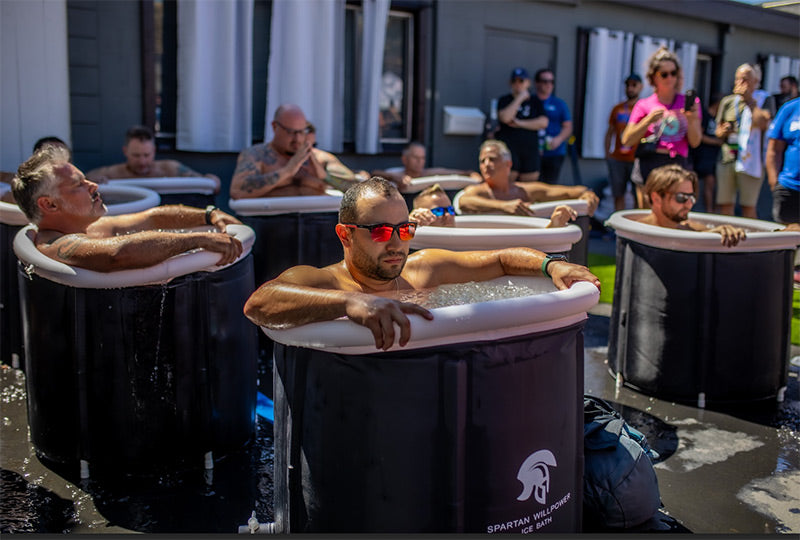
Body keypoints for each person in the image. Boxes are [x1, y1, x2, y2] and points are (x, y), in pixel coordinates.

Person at [243, 176, 600, 350]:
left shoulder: (423, 268)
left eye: (404, 228)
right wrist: (351, 302)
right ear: (345, 235)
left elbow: (503, 258)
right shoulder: (328, 282)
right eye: (381, 231)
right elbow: (259, 303)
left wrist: (551, 266)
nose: (397, 242)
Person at [12, 145, 242, 271]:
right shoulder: (54, 244)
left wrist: (210, 214)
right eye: (78, 184)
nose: (92, 185)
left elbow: (152, 218)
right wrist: (197, 240)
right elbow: (118, 254)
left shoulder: (91, 228)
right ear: (49, 204)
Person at [621, 47, 702, 208]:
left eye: (673, 73)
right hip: (650, 162)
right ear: (653, 77)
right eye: (664, 74)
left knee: (674, 214)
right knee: (647, 217)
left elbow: (695, 142)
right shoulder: (644, 104)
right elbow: (627, 139)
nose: (669, 78)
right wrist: (648, 120)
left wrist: (692, 120)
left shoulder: (689, 103)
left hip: (677, 164)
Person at [456, 140, 599, 220]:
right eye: (482, 160)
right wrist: (504, 206)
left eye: (492, 159)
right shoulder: (478, 191)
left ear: (508, 164)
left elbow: (567, 192)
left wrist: (587, 194)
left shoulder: (522, 190)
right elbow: (464, 201)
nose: (486, 164)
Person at [230, 104, 329, 199]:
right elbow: (237, 191)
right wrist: (287, 171)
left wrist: (322, 175)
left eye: (302, 132)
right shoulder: (257, 155)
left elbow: (343, 187)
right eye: (290, 132)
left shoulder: (318, 156)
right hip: (270, 214)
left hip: (319, 214)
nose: (297, 139)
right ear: (274, 127)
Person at [86, 125, 221, 193]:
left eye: (146, 155)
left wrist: (213, 180)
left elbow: (209, 184)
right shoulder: (113, 174)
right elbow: (85, 180)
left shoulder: (170, 169)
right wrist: (94, 184)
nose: (142, 162)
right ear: (125, 151)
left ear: (154, 151)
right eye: (136, 156)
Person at [639, 164, 746, 247]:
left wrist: (724, 231)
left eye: (692, 197)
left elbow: (713, 231)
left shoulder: (689, 228)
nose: (689, 204)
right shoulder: (637, 232)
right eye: (681, 198)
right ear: (656, 198)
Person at [715, 63, 772, 219]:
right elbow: (717, 132)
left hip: (751, 160)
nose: (740, 83)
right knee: (725, 205)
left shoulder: (764, 100)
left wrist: (749, 100)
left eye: (745, 80)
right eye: (738, 79)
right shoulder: (727, 101)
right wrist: (724, 131)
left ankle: (749, 242)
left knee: (748, 206)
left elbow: (762, 123)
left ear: (755, 82)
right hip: (728, 158)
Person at [494, 67, 549, 182]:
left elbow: (543, 122)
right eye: (515, 81)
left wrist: (520, 123)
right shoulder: (504, 100)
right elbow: (505, 117)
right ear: (510, 83)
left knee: (529, 185)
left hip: (530, 149)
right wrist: (520, 98)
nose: (518, 84)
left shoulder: (535, 101)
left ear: (528, 83)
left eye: (521, 81)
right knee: (508, 181)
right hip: (510, 148)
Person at [372, 142, 481, 191]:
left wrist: (472, 174)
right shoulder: (397, 174)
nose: (420, 161)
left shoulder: (429, 173)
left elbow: (452, 172)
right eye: (416, 158)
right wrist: (395, 178)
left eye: (423, 158)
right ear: (405, 159)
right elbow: (374, 174)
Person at [605, 74, 643, 211]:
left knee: (638, 196)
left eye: (634, 85)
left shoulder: (644, 109)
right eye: (628, 85)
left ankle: (635, 226)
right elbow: (609, 132)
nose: (630, 88)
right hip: (618, 158)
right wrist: (607, 154)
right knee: (618, 194)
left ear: (641, 87)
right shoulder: (617, 109)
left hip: (636, 158)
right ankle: (618, 226)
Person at [2, 136, 72, 202]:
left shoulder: (78, 185)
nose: (59, 158)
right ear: (36, 159)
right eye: (51, 153)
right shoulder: (22, 186)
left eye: (63, 153)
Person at [534, 68, 572, 184]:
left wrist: (559, 139)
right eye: (545, 81)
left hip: (554, 151)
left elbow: (568, 126)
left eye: (551, 82)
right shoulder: (530, 101)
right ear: (537, 83)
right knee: (532, 187)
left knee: (550, 187)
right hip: (532, 152)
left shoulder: (559, 104)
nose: (548, 85)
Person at [307, 123, 369, 192]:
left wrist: (326, 177)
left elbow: (351, 183)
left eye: (313, 145)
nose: (311, 150)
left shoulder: (321, 157)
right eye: (306, 145)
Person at [766, 96, 799, 225]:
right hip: (789, 187)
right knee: (785, 240)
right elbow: (774, 149)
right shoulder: (790, 109)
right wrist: (774, 183)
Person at [689, 93, 724, 213]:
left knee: (711, 184)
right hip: (701, 155)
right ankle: (695, 208)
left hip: (713, 157)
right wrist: (716, 142)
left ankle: (710, 211)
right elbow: (700, 136)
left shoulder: (719, 118)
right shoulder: (705, 116)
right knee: (697, 184)